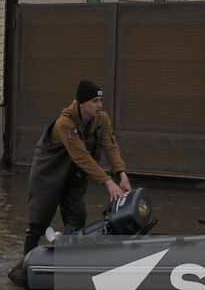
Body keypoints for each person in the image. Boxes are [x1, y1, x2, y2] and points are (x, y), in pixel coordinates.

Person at [21, 80, 131, 256]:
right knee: (38, 221)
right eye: (94, 101)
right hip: (48, 174)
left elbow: (110, 146)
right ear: (82, 103)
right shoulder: (65, 123)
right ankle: (25, 264)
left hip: (75, 176)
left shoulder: (101, 119)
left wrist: (122, 174)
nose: (99, 105)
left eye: (101, 101)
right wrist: (108, 182)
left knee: (77, 219)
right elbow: (81, 156)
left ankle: (65, 258)